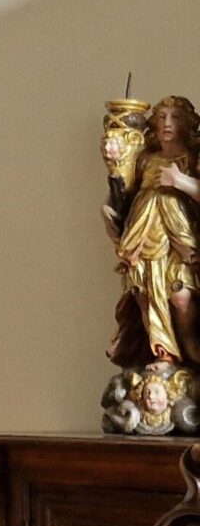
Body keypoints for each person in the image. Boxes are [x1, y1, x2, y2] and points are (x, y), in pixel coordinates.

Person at [104, 95, 200, 366]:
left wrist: (180, 181)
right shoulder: (146, 159)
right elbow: (125, 193)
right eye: (161, 117)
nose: (167, 123)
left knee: (181, 298)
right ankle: (163, 355)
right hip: (144, 234)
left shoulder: (192, 159)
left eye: (175, 117)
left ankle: (191, 354)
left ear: (188, 124)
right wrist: (110, 205)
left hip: (178, 238)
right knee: (143, 295)